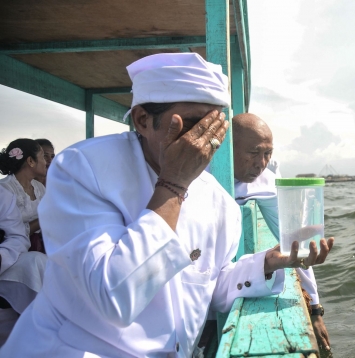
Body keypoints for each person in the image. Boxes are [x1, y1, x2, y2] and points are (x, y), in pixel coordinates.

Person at [0, 53, 334, 357]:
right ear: (143, 120)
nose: (203, 142)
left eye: (213, 127)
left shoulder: (219, 202)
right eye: (190, 125)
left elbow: (209, 286)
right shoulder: (82, 170)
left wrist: (267, 263)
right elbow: (114, 297)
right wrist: (173, 184)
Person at [232, 113, 332, 352]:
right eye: (254, 153)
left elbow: (292, 243)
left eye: (268, 154)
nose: (261, 162)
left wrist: (315, 309)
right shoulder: (197, 174)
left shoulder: (265, 182)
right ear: (227, 147)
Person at [0, 186, 47, 345]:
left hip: (4, 267)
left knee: (37, 262)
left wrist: (2, 256)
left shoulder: (3, 195)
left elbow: (17, 236)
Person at [0, 139, 47, 253]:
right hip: (12, 254)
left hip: (41, 246)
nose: (46, 162)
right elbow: (11, 232)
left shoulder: (39, 188)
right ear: (31, 161)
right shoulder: (5, 190)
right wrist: (46, 218)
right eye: (43, 157)